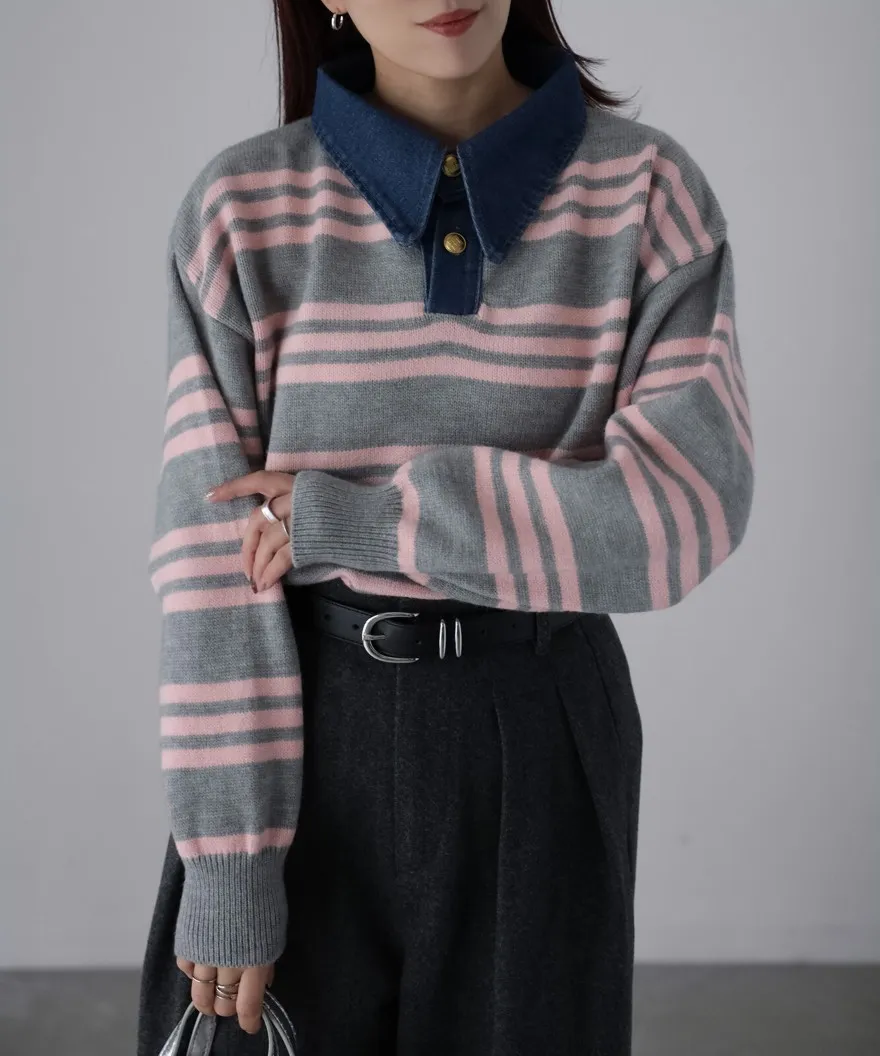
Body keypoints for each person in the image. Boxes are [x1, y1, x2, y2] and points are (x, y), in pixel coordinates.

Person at [137, 1, 754, 1053]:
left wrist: (373, 522)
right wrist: (231, 861)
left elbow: (683, 512)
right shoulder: (240, 208)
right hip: (293, 723)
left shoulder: (651, 194)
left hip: (544, 723)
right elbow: (209, 561)